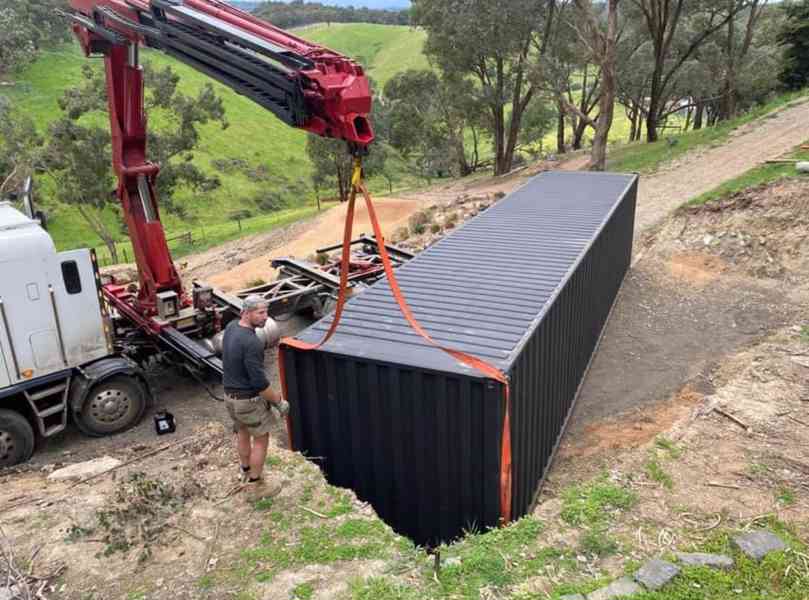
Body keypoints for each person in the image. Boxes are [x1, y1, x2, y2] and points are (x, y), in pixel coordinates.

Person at [222, 295, 289, 500]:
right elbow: (260, 385)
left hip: (230, 397)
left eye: (266, 312)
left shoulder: (231, 328)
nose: (265, 317)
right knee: (261, 439)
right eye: (260, 313)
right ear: (247, 312)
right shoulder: (252, 342)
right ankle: (256, 486)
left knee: (242, 431)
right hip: (248, 401)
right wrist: (279, 401)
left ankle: (245, 470)